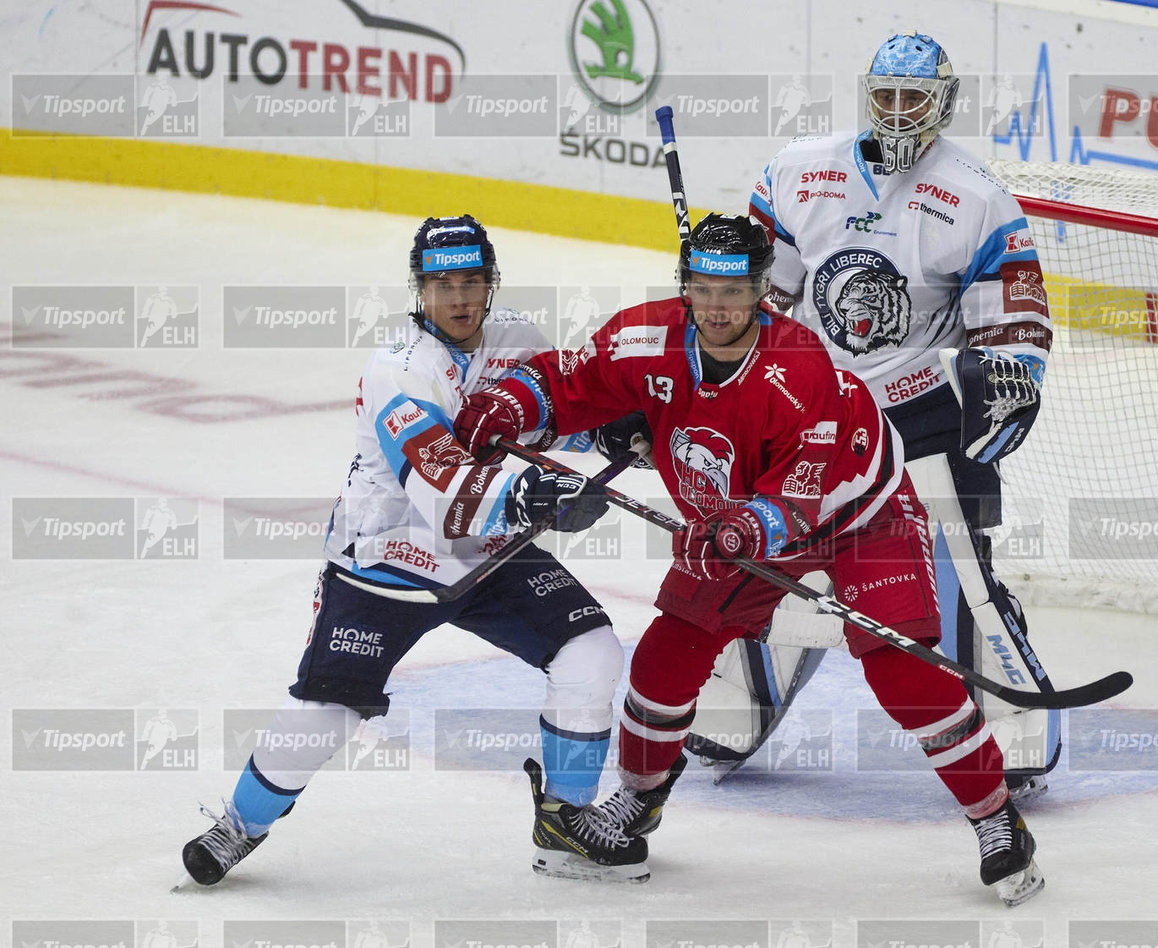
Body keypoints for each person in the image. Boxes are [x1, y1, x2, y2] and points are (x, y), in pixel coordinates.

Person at [455, 213, 1044, 906]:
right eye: (702, 289)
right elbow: (565, 382)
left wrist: (741, 529)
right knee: (663, 664)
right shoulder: (645, 335)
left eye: (733, 292)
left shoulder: (801, 367)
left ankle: (996, 819)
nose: (716, 307)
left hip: (860, 512)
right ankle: (639, 801)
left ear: (764, 289)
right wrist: (508, 402)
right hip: (732, 524)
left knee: (902, 672)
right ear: (685, 286)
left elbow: (796, 498)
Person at [179, 215, 648, 887]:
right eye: (442, 284)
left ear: (492, 284)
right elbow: (436, 482)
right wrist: (531, 495)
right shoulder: (397, 370)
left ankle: (563, 819)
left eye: (472, 281)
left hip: (485, 551)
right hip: (388, 556)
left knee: (591, 650)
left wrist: (614, 435)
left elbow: (552, 418)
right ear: (419, 290)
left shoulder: (516, 338)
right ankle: (239, 825)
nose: (459, 298)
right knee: (329, 709)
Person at [747, 31, 1060, 795]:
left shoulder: (978, 197)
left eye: (911, 98)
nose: (895, 112)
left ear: (942, 103)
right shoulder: (799, 171)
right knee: (755, 555)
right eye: (883, 95)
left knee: (958, 580)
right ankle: (733, 699)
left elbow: (1015, 321)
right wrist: (721, 306)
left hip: (924, 415)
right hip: (811, 411)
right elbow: (763, 297)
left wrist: (1009, 380)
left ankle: (1007, 732)